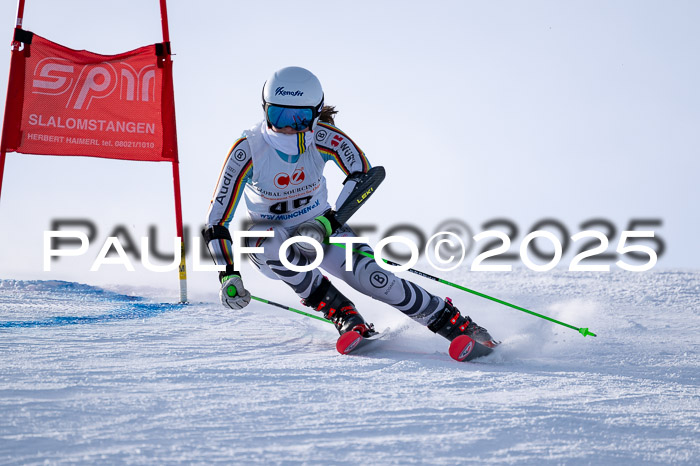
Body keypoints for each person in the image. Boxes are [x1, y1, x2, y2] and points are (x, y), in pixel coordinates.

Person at [204, 66, 496, 346]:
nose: (288, 128)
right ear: (264, 108)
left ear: (316, 113)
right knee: (266, 239)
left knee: (373, 279)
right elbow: (216, 221)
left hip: (323, 228)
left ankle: (455, 324)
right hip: (273, 240)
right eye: (278, 115)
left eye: (300, 119)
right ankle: (342, 312)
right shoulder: (249, 149)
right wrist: (228, 273)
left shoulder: (323, 137)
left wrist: (326, 223)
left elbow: (366, 175)